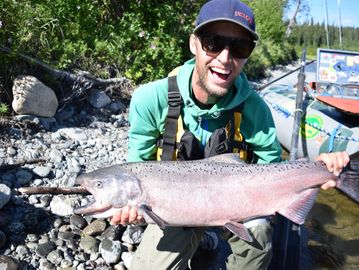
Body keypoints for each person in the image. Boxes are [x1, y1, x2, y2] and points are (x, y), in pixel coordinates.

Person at [110, 0, 350, 269]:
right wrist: (131, 209)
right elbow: (136, 168)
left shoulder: (255, 108)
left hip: (237, 204)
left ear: (248, 54)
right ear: (193, 44)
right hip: (174, 207)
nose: (225, 58)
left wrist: (319, 170)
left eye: (239, 47)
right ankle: (200, 236)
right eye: (213, 43)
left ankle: (209, 236)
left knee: (260, 236)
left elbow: (272, 170)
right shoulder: (150, 99)